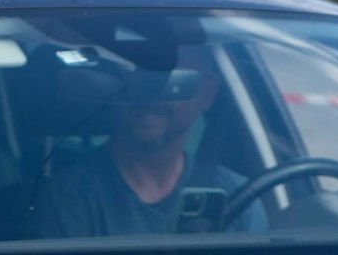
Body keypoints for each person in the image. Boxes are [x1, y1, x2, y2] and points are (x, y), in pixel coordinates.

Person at [38, 46, 263, 239]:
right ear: (116, 87)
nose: (150, 94)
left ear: (207, 92)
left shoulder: (239, 197)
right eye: (136, 77)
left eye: (170, 79)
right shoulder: (65, 198)